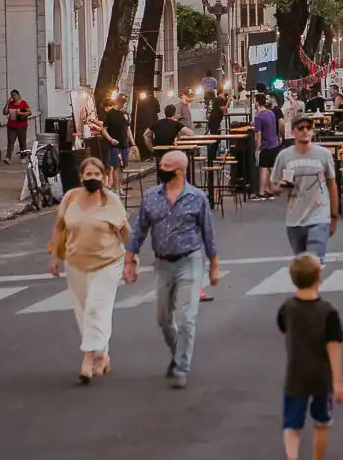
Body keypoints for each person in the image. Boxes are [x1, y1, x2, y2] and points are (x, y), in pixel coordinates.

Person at [124, 150, 220, 389]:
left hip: (190, 260)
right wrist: (129, 260)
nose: (160, 167)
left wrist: (214, 266)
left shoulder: (197, 198)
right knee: (163, 318)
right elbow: (138, 231)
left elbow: (209, 233)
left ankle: (181, 367)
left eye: (166, 165)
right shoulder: (151, 197)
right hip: (163, 263)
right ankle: (178, 353)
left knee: (187, 317)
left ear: (180, 170)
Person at [47, 157, 130, 383]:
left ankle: (88, 358)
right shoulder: (71, 198)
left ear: (103, 177)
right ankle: (102, 355)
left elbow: (125, 231)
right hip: (75, 263)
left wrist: (132, 259)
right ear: (81, 177)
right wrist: (55, 256)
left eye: (97, 175)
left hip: (108, 262)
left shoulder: (111, 200)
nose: (92, 179)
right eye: (88, 175)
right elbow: (59, 226)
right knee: (84, 312)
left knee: (96, 309)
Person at [279, 254, 343, 460]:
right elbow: (334, 346)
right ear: (319, 277)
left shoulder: (287, 308)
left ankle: (293, 458)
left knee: (292, 426)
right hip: (321, 377)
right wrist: (338, 381)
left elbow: (283, 328)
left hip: (295, 374)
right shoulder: (328, 312)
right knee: (321, 424)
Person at [272, 115, 339, 260]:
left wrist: (334, 216)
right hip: (294, 220)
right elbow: (273, 187)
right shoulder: (284, 156)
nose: (305, 131)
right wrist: (280, 187)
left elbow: (332, 185)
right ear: (293, 132)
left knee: (313, 263)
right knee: (302, 267)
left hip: (319, 218)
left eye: (309, 128)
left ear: (313, 132)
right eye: (300, 128)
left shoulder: (324, 155)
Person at [101, 94, 133, 191]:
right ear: (116, 102)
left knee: (122, 167)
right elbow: (104, 130)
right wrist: (111, 139)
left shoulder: (125, 114)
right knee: (116, 166)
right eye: (120, 102)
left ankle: (120, 187)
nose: (122, 104)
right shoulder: (110, 113)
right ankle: (117, 189)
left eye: (123, 103)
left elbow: (128, 129)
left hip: (124, 144)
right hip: (114, 144)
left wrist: (133, 143)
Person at [253, 94, 282, 200]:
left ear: (256, 102)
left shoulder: (258, 116)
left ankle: (261, 193)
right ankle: (269, 191)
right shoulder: (271, 113)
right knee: (270, 168)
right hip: (274, 144)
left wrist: (257, 149)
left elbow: (258, 135)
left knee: (263, 169)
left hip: (266, 146)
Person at [3, 90, 32, 163]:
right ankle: (8, 157)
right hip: (11, 126)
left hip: (21, 126)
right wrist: (7, 103)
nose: (13, 97)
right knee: (10, 141)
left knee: (22, 142)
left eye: (15, 95)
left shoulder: (23, 103)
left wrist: (21, 113)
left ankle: (23, 157)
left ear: (18, 95)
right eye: (12, 95)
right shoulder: (11, 104)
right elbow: (5, 112)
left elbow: (29, 113)